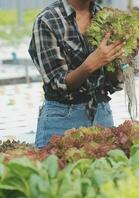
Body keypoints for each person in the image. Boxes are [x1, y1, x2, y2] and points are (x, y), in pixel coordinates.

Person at [28, 0, 127, 148]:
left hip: (101, 114)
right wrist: (90, 64)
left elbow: (112, 83)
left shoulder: (106, 18)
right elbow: (57, 83)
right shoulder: (48, 20)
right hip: (62, 119)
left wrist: (121, 58)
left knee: (105, 170)